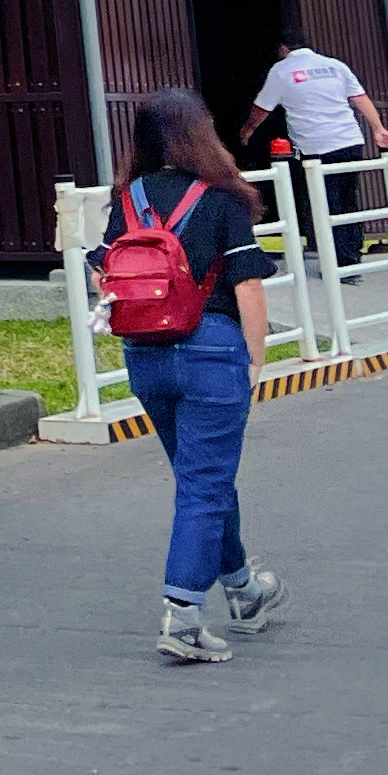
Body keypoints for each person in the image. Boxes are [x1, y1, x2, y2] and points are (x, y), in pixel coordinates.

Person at [94, 89, 287, 664]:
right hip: (212, 355)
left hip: (146, 356)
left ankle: (245, 591)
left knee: (202, 477)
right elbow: (248, 284)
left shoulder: (128, 200)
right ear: (202, 133)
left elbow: (104, 273)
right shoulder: (223, 199)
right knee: (205, 484)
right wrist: (255, 358)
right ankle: (182, 617)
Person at [242, 24, 388, 264]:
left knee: (326, 200)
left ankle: (340, 258)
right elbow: (360, 98)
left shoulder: (281, 71)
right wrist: (378, 129)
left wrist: (248, 129)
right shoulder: (335, 65)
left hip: (316, 145)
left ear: (282, 48)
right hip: (349, 140)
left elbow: (262, 108)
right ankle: (351, 252)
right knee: (348, 197)